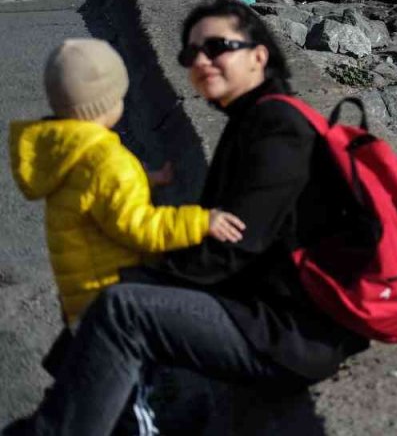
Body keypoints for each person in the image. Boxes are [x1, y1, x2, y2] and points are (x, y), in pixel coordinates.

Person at [10, 0, 369, 435]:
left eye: (217, 47)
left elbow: (236, 248)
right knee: (119, 298)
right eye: (190, 53)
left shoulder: (278, 131)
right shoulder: (252, 118)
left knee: (122, 305)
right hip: (264, 308)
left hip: (290, 330)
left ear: (259, 55)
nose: (200, 61)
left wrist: (150, 268)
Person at [9, 39, 246, 434]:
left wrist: (146, 178)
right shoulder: (107, 161)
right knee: (128, 387)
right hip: (110, 293)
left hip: (79, 292)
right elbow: (140, 228)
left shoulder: (67, 150)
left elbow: (92, 194)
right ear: (105, 105)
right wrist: (200, 221)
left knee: (103, 386)